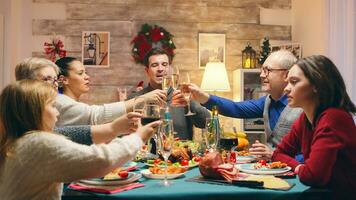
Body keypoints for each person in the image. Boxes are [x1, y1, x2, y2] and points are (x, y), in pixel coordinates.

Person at [0, 80, 160, 199]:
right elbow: (102, 160)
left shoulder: (17, 142)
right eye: (52, 106)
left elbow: (71, 134)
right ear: (34, 111)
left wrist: (114, 128)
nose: (57, 113)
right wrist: (138, 137)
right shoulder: (37, 143)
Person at [188, 50, 302, 160]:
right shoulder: (267, 101)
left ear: (286, 74)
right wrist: (203, 97)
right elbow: (235, 108)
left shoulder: (304, 106)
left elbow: (311, 154)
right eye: (262, 70)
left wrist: (275, 155)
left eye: (267, 70)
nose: (262, 75)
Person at [272, 55, 356, 198]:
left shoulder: (333, 118)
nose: (286, 89)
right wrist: (300, 167)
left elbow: (313, 176)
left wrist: (299, 168)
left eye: (294, 82)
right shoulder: (305, 119)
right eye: (287, 82)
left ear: (316, 85)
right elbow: (278, 154)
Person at [15, 57, 140, 144]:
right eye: (47, 79)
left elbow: (68, 135)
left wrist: (114, 130)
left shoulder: (43, 129)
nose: (55, 85)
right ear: (28, 84)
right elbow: (93, 118)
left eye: (54, 80)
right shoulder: (59, 102)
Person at [55, 57, 166, 126]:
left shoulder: (72, 103)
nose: (87, 77)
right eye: (80, 73)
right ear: (63, 80)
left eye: (165, 64)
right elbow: (96, 115)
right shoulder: (61, 102)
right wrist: (144, 99)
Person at [127, 48, 210, 140]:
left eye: (164, 64)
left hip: (180, 153)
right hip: (146, 153)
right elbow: (122, 134)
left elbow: (206, 123)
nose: (160, 69)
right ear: (147, 71)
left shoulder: (182, 96)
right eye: (154, 65)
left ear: (170, 69)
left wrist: (190, 102)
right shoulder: (134, 98)